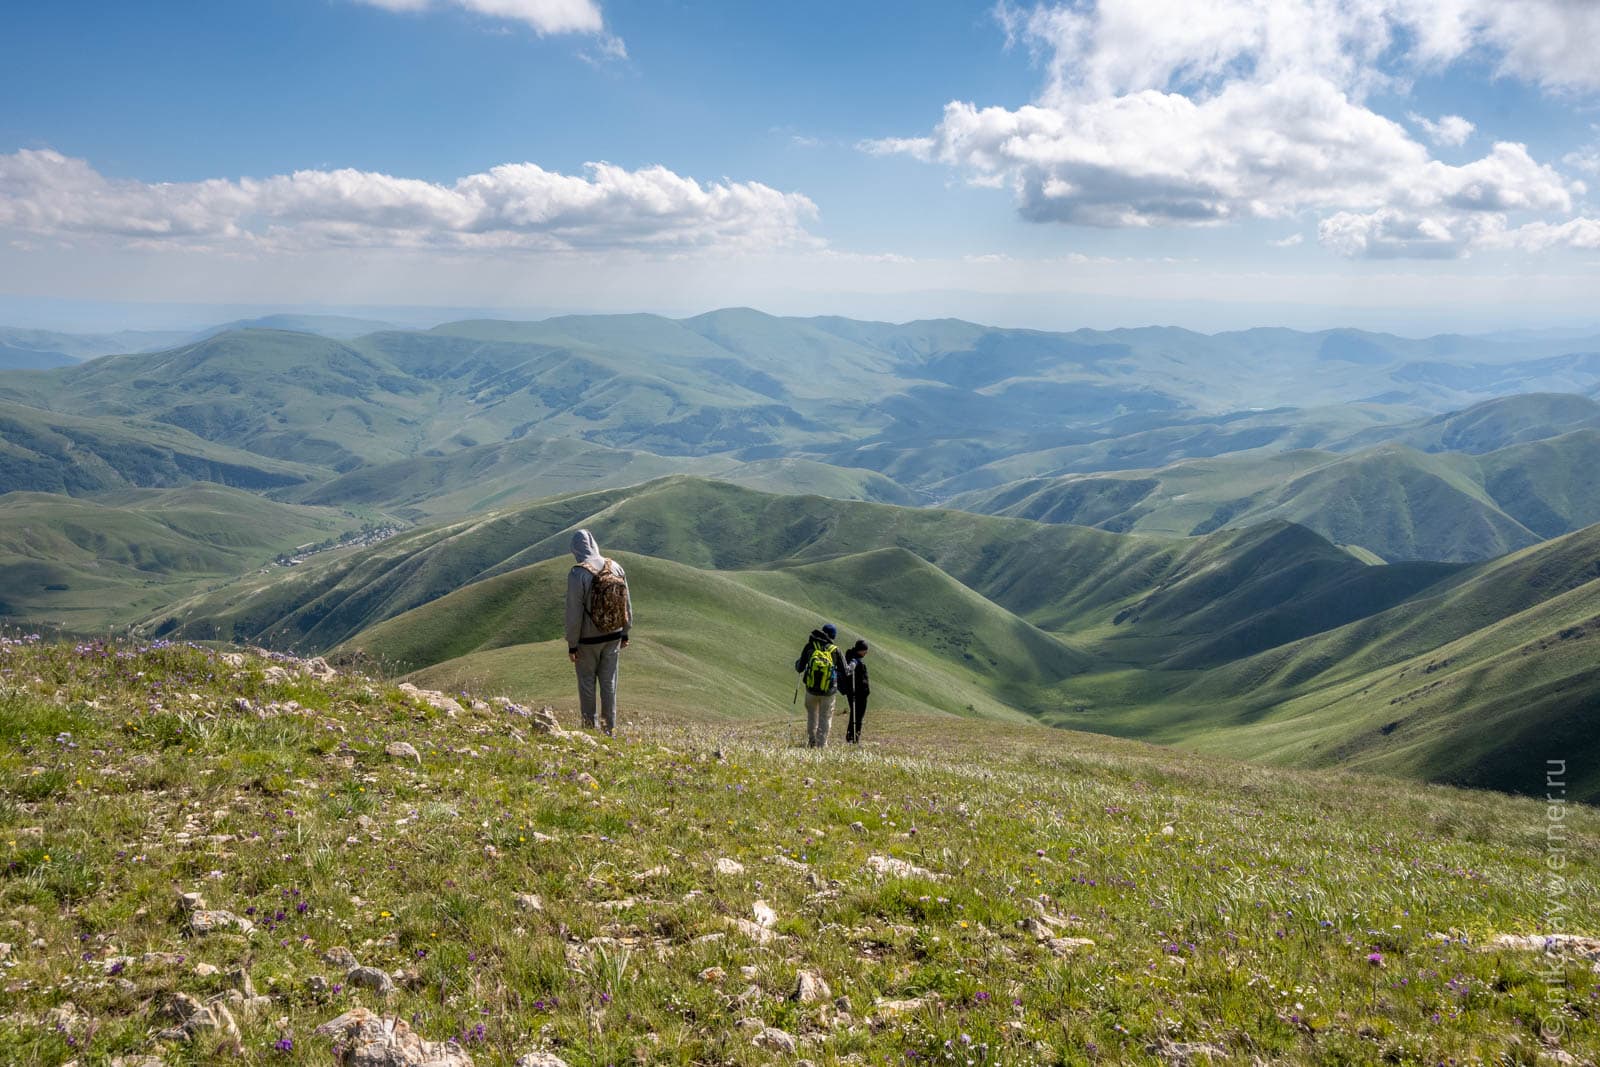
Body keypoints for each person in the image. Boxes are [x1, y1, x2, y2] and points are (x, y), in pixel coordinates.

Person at [565, 529, 631, 736]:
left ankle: (590, 730)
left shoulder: (577, 573)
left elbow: (574, 612)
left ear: (575, 549)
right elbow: (626, 604)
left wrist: (572, 644)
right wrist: (625, 632)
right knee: (609, 684)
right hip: (614, 635)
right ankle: (609, 730)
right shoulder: (616, 567)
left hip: (588, 640)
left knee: (587, 684)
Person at [794, 622, 847, 748]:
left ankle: (811, 742)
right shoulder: (835, 650)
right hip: (828, 691)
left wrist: (797, 663)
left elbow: (800, 668)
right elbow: (846, 671)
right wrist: (853, 665)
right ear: (833, 636)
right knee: (825, 717)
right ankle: (821, 745)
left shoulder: (810, 646)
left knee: (812, 715)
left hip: (811, 690)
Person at [842, 639, 870, 744]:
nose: (866, 653)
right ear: (860, 650)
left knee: (855, 715)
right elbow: (856, 677)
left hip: (853, 693)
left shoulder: (850, 657)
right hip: (858, 694)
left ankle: (851, 737)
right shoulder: (855, 661)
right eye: (865, 650)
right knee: (858, 716)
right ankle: (854, 739)